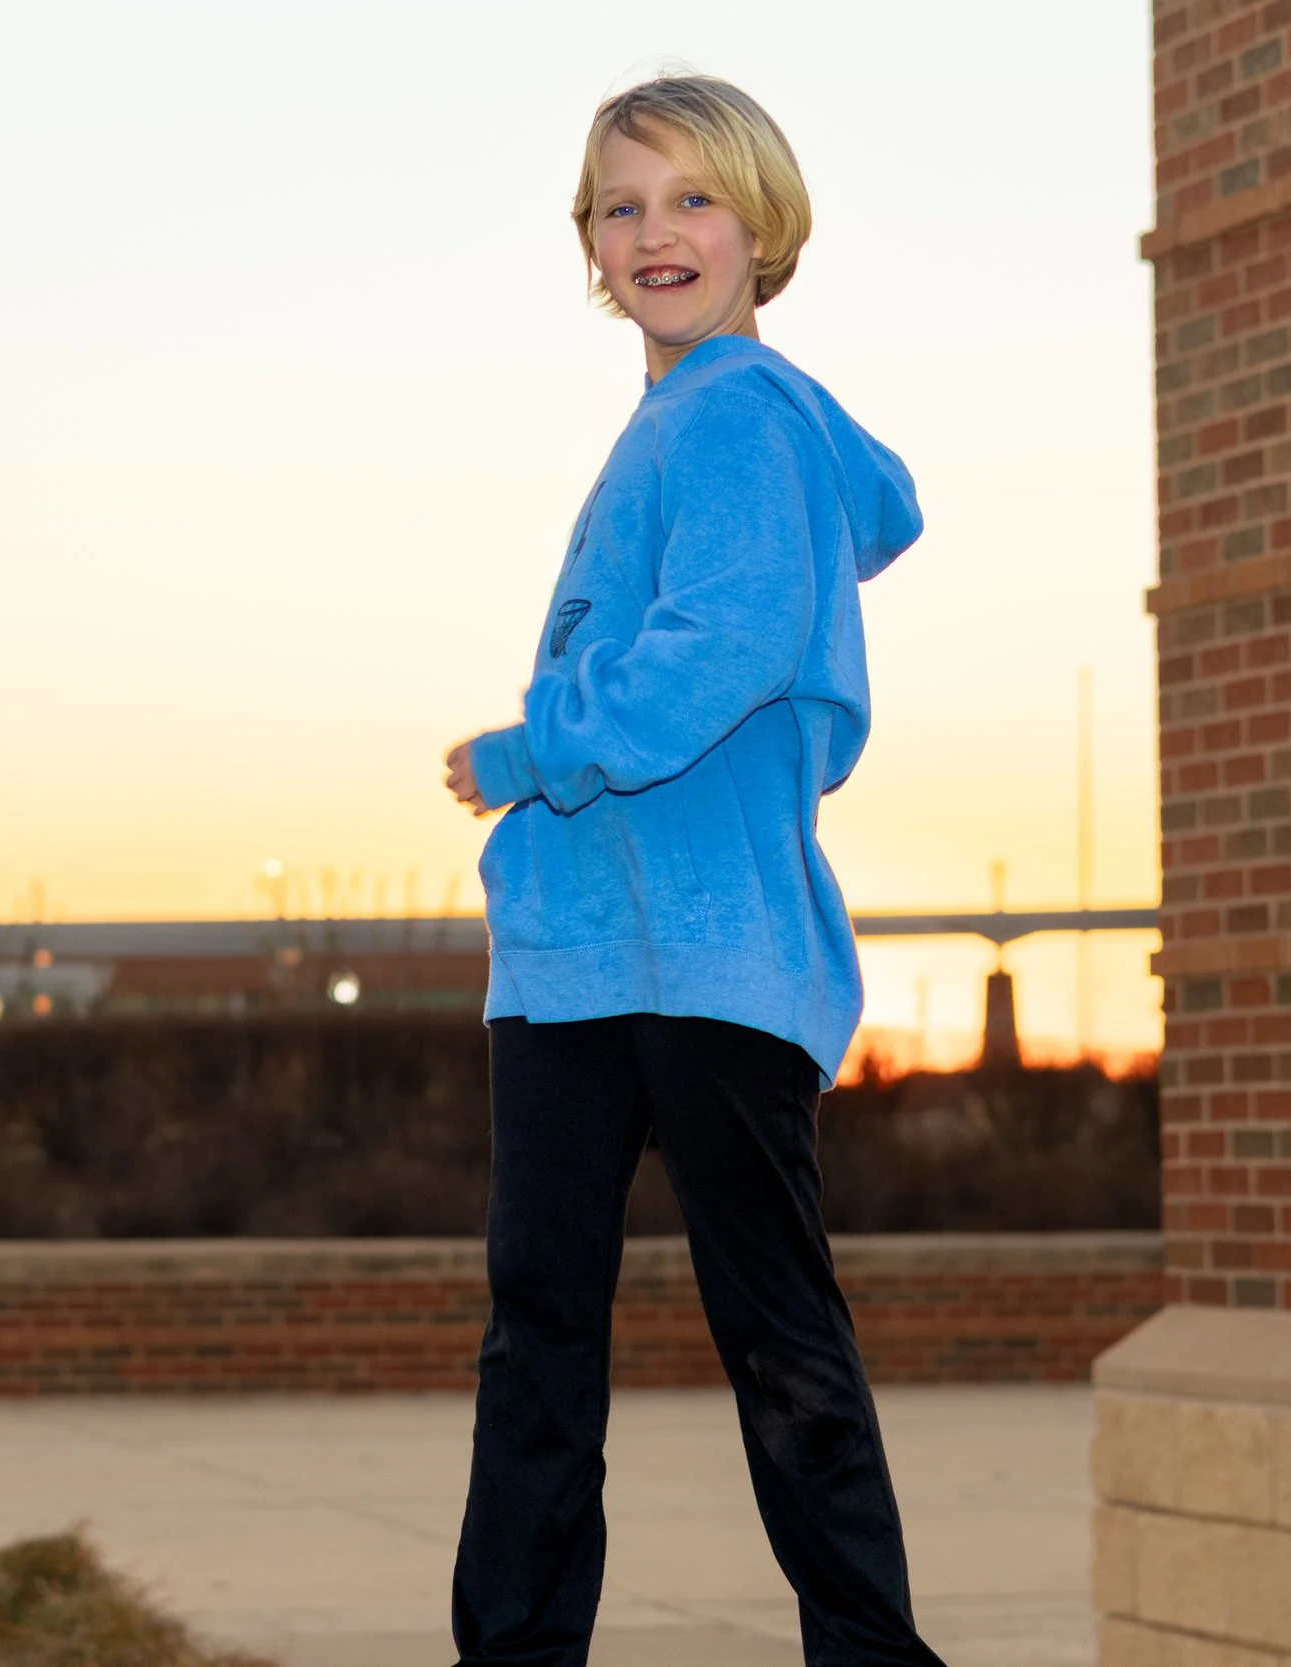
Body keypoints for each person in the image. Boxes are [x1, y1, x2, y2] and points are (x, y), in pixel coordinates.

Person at [439, 74, 941, 1667]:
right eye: (622, 204)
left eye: (692, 197)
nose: (656, 231)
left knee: (767, 1339)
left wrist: (532, 749)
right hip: (584, 953)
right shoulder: (669, 425)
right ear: (590, 243)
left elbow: (718, 649)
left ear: (761, 221)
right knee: (542, 1342)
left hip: (710, 951)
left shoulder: (740, 414)